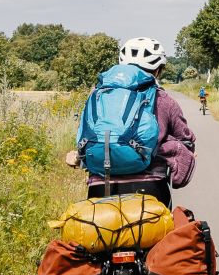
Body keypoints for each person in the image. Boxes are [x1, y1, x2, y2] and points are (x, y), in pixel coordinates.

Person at [64, 36, 196, 206]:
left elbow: (89, 137)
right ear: (158, 70)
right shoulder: (163, 99)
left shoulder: (97, 95)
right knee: (164, 232)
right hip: (150, 190)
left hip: (101, 187)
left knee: (99, 231)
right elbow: (186, 139)